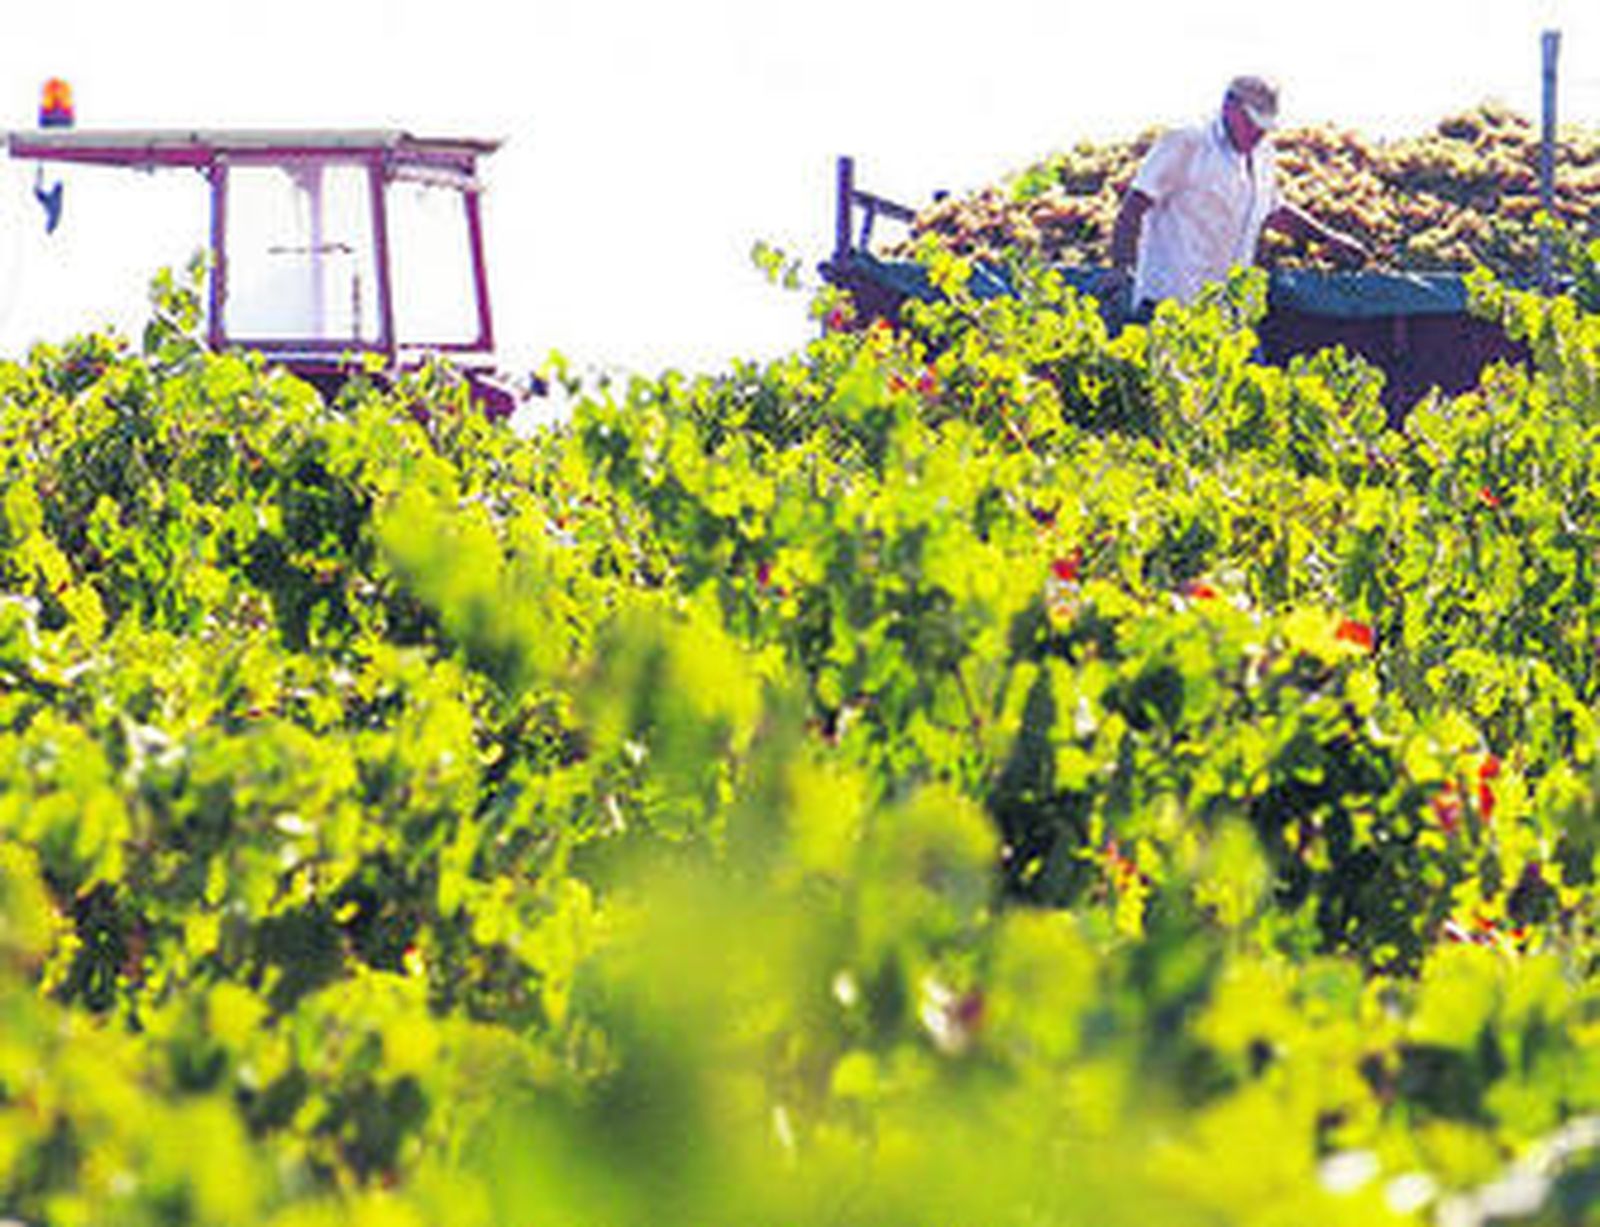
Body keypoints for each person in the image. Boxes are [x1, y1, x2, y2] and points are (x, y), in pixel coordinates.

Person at [1108, 75, 1369, 318]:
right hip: (1170, 308)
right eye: (1252, 122)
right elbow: (1133, 207)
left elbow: (1273, 211)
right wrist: (1122, 269)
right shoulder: (1187, 142)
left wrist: (1328, 239)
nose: (1259, 133)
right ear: (1229, 107)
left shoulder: (1263, 155)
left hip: (1228, 313)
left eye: (1265, 127)